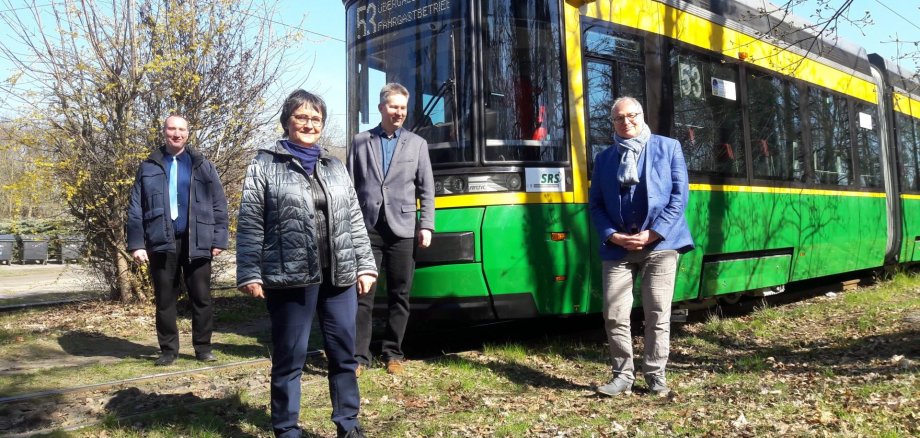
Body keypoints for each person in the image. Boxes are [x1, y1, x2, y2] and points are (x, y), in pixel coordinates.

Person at [237, 90, 376, 438]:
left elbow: (354, 218)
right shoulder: (265, 164)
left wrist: (366, 264)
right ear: (287, 122)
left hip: (339, 274)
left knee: (344, 355)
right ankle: (286, 428)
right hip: (289, 277)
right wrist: (249, 270)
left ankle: (348, 425)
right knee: (290, 357)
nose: (309, 124)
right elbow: (251, 219)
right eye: (301, 117)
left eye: (315, 119)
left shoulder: (335, 166)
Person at [588, 97, 695, 397]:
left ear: (642, 115)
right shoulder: (604, 159)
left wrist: (653, 234)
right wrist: (612, 235)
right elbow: (595, 205)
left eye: (632, 116)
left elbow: (678, 197)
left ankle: (655, 376)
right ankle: (622, 376)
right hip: (618, 248)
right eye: (619, 118)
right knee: (614, 313)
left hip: (661, 245)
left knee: (657, 313)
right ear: (613, 123)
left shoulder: (668, 147)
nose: (626, 122)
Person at [127, 115, 229, 366]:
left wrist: (219, 239)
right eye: (172, 129)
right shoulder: (148, 166)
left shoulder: (202, 165)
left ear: (188, 133)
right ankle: (168, 350)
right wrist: (137, 244)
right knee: (164, 299)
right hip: (161, 240)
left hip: (198, 240)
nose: (177, 134)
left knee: (202, 297)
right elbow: (135, 208)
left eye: (181, 129)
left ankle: (203, 348)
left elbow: (219, 204)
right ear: (164, 132)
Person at [347, 82, 435, 375]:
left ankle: (393, 353)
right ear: (381, 107)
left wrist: (427, 226)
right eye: (394, 107)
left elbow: (427, 190)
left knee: (400, 294)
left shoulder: (417, 144)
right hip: (367, 228)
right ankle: (359, 357)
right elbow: (348, 187)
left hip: (403, 229)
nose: (399, 113)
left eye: (403, 108)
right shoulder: (360, 142)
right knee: (363, 294)